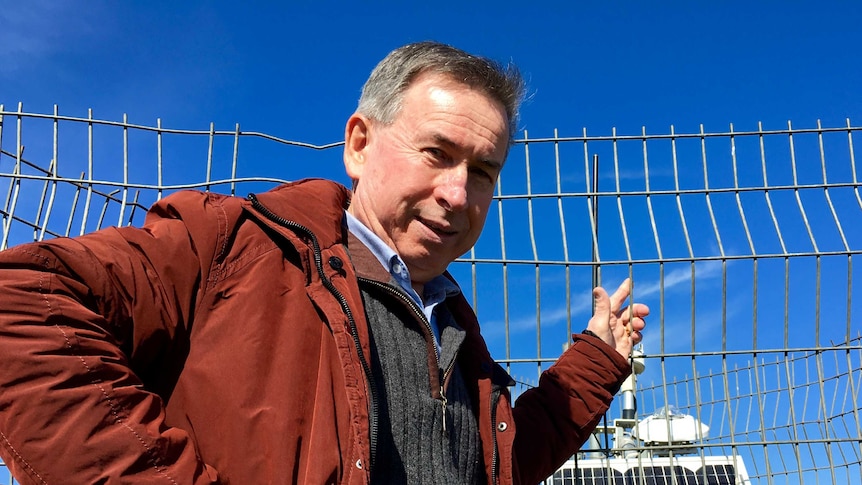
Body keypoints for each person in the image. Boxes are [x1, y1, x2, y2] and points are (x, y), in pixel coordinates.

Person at [0, 41, 647, 484]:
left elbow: (497, 464)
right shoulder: (238, 249)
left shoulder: (455, 329)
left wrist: (597, 358)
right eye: (436, 152)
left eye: (483, 171)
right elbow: (20, 306)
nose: (457, 193)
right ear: (360, 144)